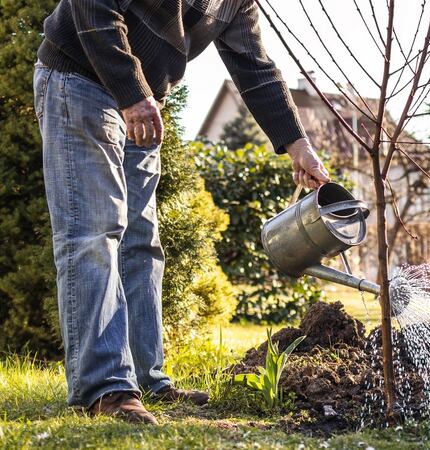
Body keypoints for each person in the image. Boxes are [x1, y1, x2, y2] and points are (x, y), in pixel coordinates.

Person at [33, 0, 330, 425]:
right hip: (79, 77)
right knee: (94, 234)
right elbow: (92, 6)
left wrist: (298, 145)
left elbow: (256, 67)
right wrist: (133, 95)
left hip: (142, 97)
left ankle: (147, 380)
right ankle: (105, 388)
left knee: (140, 243)